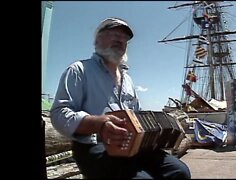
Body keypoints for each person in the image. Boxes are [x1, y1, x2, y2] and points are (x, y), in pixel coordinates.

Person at [50, 17, 191, 179]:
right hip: (95, 147)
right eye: (113, 34)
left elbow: (138, 116)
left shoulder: (128, 80)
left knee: (180, 172)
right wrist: (100, 124)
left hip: (132, 145)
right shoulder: (79, 70)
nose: (120, 39)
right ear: (97, 40)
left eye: (124, 38)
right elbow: (59, 114)